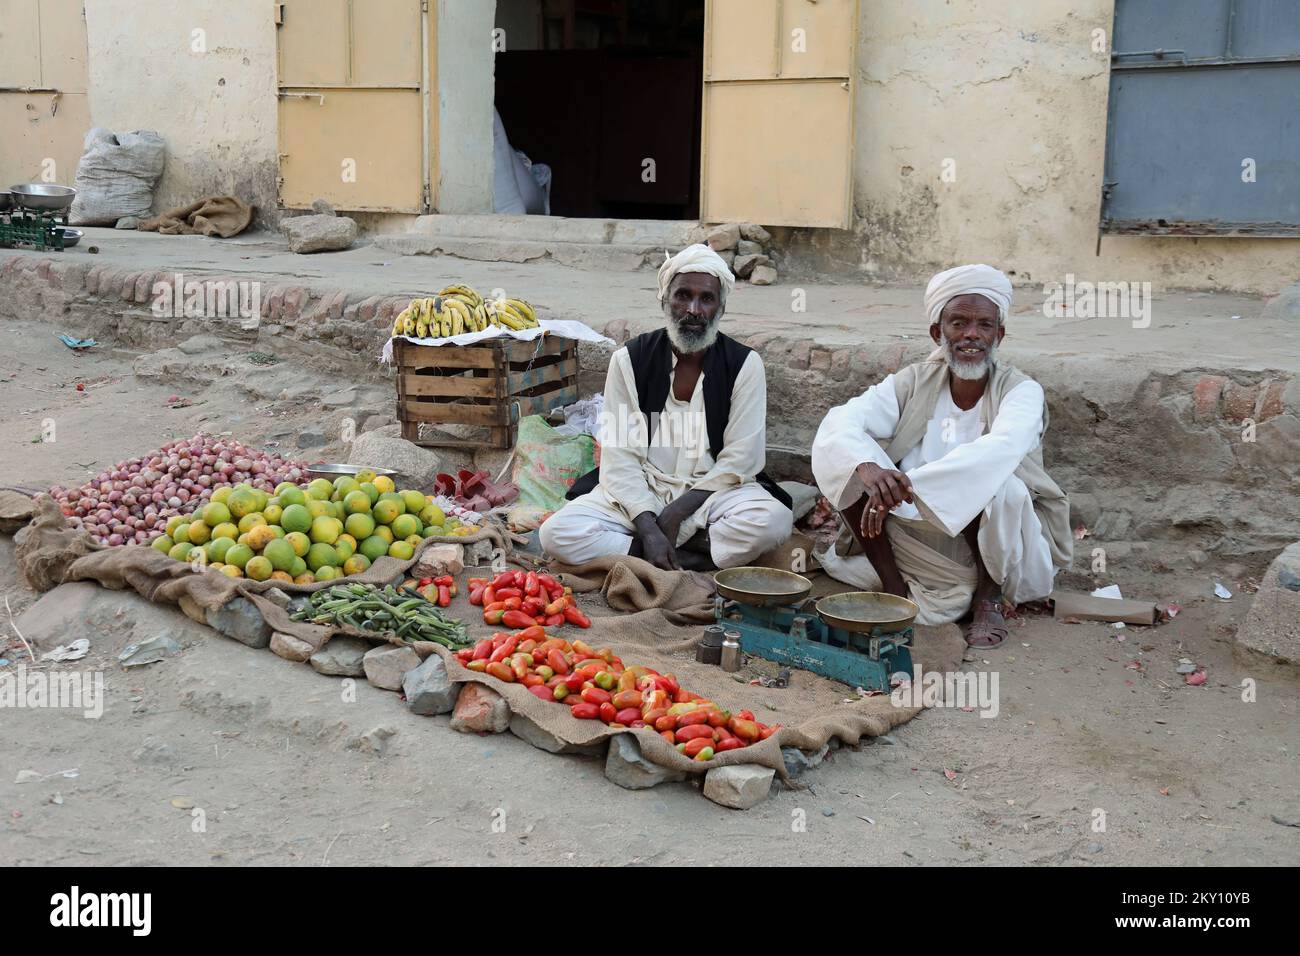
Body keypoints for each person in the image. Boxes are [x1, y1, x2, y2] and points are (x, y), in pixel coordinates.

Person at [810, 264, 1071, 648]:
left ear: (999, 334)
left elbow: (1002, 448)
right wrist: (870, 469)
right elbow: (842, 421)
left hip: (993, 547)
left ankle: (987, 598)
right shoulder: (913, 381)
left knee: (1003, 487)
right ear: (938, 332)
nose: (971, 335)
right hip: (913, 535)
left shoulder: (1021, 391)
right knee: (848, 461)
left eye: (984, 325)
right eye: (958, 323)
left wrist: (908, 485)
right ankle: (895, 589)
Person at [540, 244, 793, 571]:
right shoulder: (629, 360)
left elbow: (740, 460)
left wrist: (676, 514)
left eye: (707, 298)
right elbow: (620, 456)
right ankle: (683, 555)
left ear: (721, 307)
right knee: (556, 533)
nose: (694, 309)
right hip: (639, 492)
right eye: (683, 295)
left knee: (773, 520)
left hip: (710, 496)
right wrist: (648, 525)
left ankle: (648, 554)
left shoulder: (745, 365)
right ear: (664, 300)